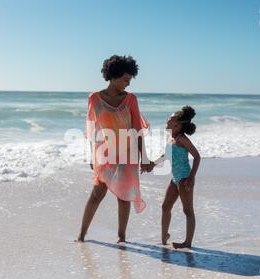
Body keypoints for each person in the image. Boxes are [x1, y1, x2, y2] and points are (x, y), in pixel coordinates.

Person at [77, 55, 151, 243]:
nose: (128, 83)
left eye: (130, 80)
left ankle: (122, 237)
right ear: (114, 76)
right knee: (97, 194)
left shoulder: (131, 99)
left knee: (124, 197)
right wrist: (92, 156)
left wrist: (145, 157)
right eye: (126, 79)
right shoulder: (94, 98)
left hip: (128, 153)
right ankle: (82, 235)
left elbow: (137, 130)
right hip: (105, 154)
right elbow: (92, 130)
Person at [143, 106, 201, 249]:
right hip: (175, 178)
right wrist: (152, 165)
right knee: (165, 207)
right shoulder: (172, 138)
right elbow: (166, 155)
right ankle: (164, 237)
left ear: (177, 124)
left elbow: (197, 156)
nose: (167, 120)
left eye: (170, 118)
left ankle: (188, 242)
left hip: (184, 177)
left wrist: (191, 177)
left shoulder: (182, 139)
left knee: (188, 210)